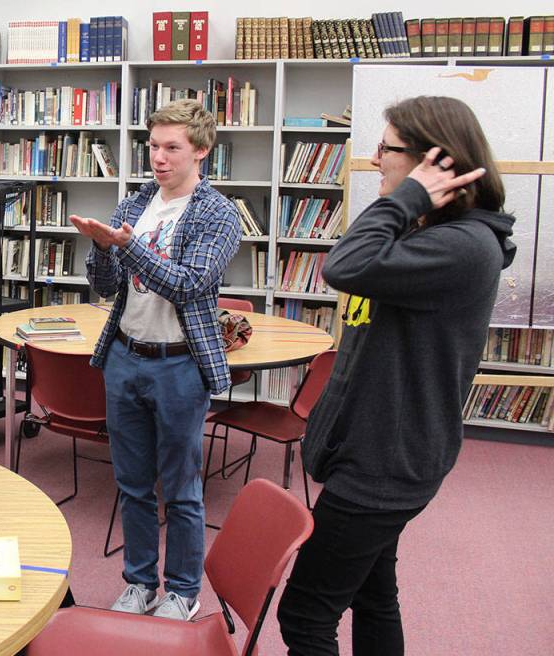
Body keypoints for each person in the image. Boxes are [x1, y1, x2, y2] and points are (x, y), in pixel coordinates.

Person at [277, 96, 516, 655]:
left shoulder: (461, 247)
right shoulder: (425, 232)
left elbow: (343, 266)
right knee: (373, 594)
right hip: (373, 454)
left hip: (384, 467)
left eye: (387, 148)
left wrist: (405, 198)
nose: (374, 158)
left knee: (305, 615)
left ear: (436, 163)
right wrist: (406, 201)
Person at [71, 99, 241, 621]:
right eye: (153, 147)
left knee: (183, 487)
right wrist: (102, 248)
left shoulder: (218, 213)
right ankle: (141, 583)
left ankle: (183, 592)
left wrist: (130, 247)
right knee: (132, 482)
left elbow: (191, 284)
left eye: (172, 148)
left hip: (178, 365)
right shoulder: (134, 204)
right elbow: (105, 287)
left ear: (202, 152)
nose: (159, 159)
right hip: (125, 356)